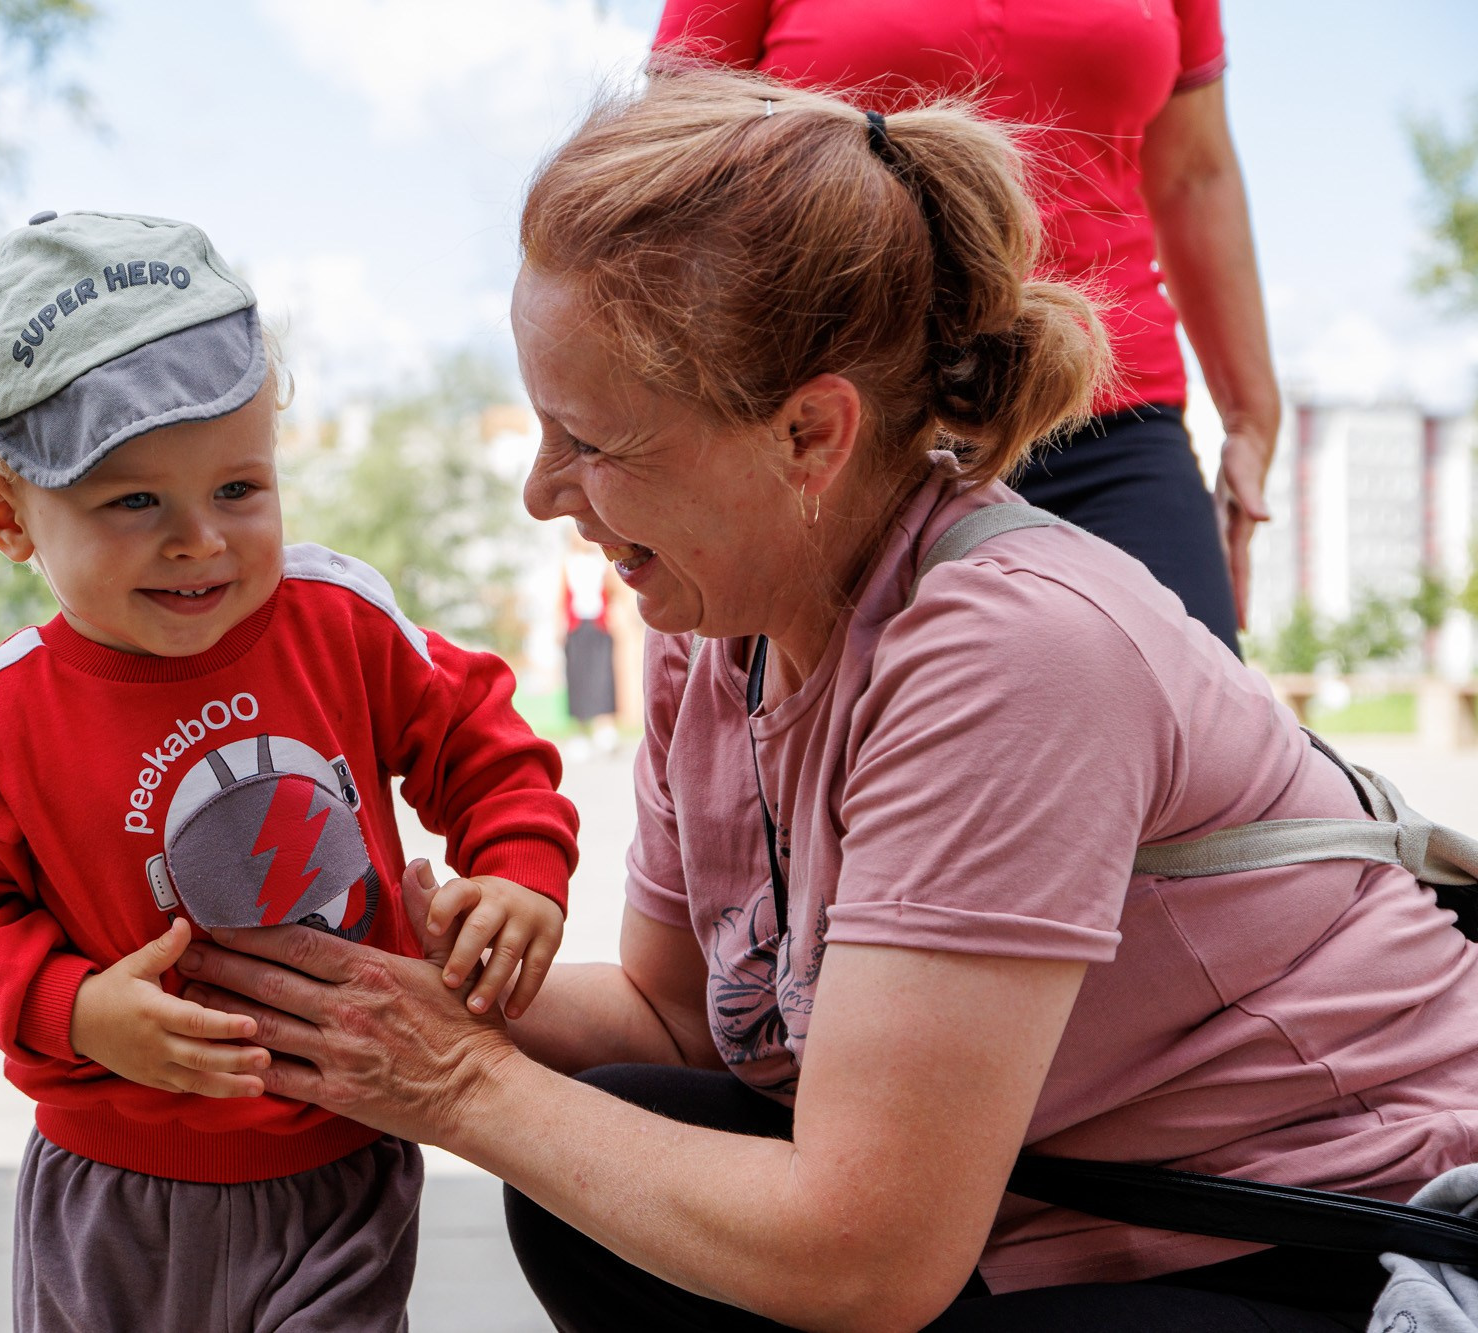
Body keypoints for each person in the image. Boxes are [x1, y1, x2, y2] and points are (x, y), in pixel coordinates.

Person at [169, 73, 1478, 1333]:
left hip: (1342, 1239)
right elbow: (680, 1027)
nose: (542, 493)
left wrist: (455, 1083)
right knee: (607, 1174)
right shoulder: (715, 628)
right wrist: (393, 971)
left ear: (809, 434)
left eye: (594, 443)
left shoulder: (1009, 653)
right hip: (1072, 1209)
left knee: (619, 1175)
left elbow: (868, 1258)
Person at [0, 210, 579, 1332]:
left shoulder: (338, 620)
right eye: (134, 501)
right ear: (7, 517)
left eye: (239, 489)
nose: (199, 539)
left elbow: (480, 741)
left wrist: (517, 867)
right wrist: (74, 1008)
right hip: (110, 1190)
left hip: (341, 1161)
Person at [653, 0, 1278, 657]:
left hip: (1109, 416)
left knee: (1194, 704)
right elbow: (666, 161)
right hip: (840, 428)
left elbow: (1194, 175)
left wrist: (1250, 417)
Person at [560, 527, 622, 757]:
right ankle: (579, 732)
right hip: (576, 627)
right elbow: (561, 597)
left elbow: (613, 592)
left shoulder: (601, 563)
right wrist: (560, 627)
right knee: (577, 678)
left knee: (603, 676)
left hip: (599, 625)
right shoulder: (567, 564)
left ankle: (604, 729)